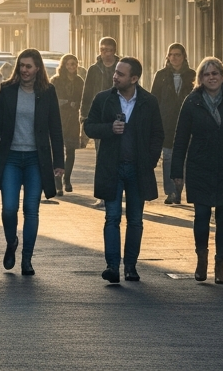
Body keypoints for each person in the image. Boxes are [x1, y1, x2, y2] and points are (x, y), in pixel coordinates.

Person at [0, 49, 65, 276]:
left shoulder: (47, 92)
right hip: (12, 158)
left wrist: (59, 161)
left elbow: (55, 128)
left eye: (29, 66)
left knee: (31, 209)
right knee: (9, 209)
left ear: (38, 68)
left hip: (37, 160)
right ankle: (11, 243)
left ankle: (27, 259)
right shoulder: (8, 90)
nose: (24, 70)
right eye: (22, 66)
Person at [170, 57, 223, 284]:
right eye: (207, 74)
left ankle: (220, 264)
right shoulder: (192, 102)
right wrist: (177, 171)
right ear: (200, 79)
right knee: (202, 215)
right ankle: (202, 259)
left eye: (216, 73)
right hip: (200, 166)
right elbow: (180, 139)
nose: (212, 77)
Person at [83, 56, 163, 284]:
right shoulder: (104, 99)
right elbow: (89, 126)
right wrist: (109, 128)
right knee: (112, 217)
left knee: (136, 220)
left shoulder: (149, 101)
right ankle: (112, 266)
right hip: (112, 167)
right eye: (115, 72)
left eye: (120, 73)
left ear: (134, 78)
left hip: (139, 169)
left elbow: (158, 134)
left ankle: (130, 266)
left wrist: (150, 161)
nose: (115, 76)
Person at [150, 43, 194, 204]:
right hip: (166, 123)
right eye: (171, 54)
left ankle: (185, 190)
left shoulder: (192, 75)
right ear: (167, 57)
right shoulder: (161, 75)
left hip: (187, 123)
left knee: (187, 158)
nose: (174, 58)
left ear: (184, 57)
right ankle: (171, 192)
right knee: (168, 158)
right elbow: (154, 99)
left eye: (178, 55)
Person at [83, 37, 121, 207]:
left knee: (120, 157)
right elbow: (87, 93)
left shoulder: (122, 67)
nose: (106, 53)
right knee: (101, 158)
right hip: (100, 119)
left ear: (114, 50)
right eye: (103, 49)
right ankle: (103, 194)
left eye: (109, 50)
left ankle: (118, 192)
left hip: (119, 117)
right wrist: (84, 116)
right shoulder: (93, 69)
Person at [51, 55, 86, 194]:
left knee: (70, 151)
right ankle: (58, 182)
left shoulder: (79, 81)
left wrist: (77, 104)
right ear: (64, 65)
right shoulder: (56, 80)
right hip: (58, 119)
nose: (72, 67)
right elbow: (50, 98)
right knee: (57, 151)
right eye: (69, 64)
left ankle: (67, 179)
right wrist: (60, 102)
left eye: (74, 64)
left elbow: (84, 99)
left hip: (72, 120)